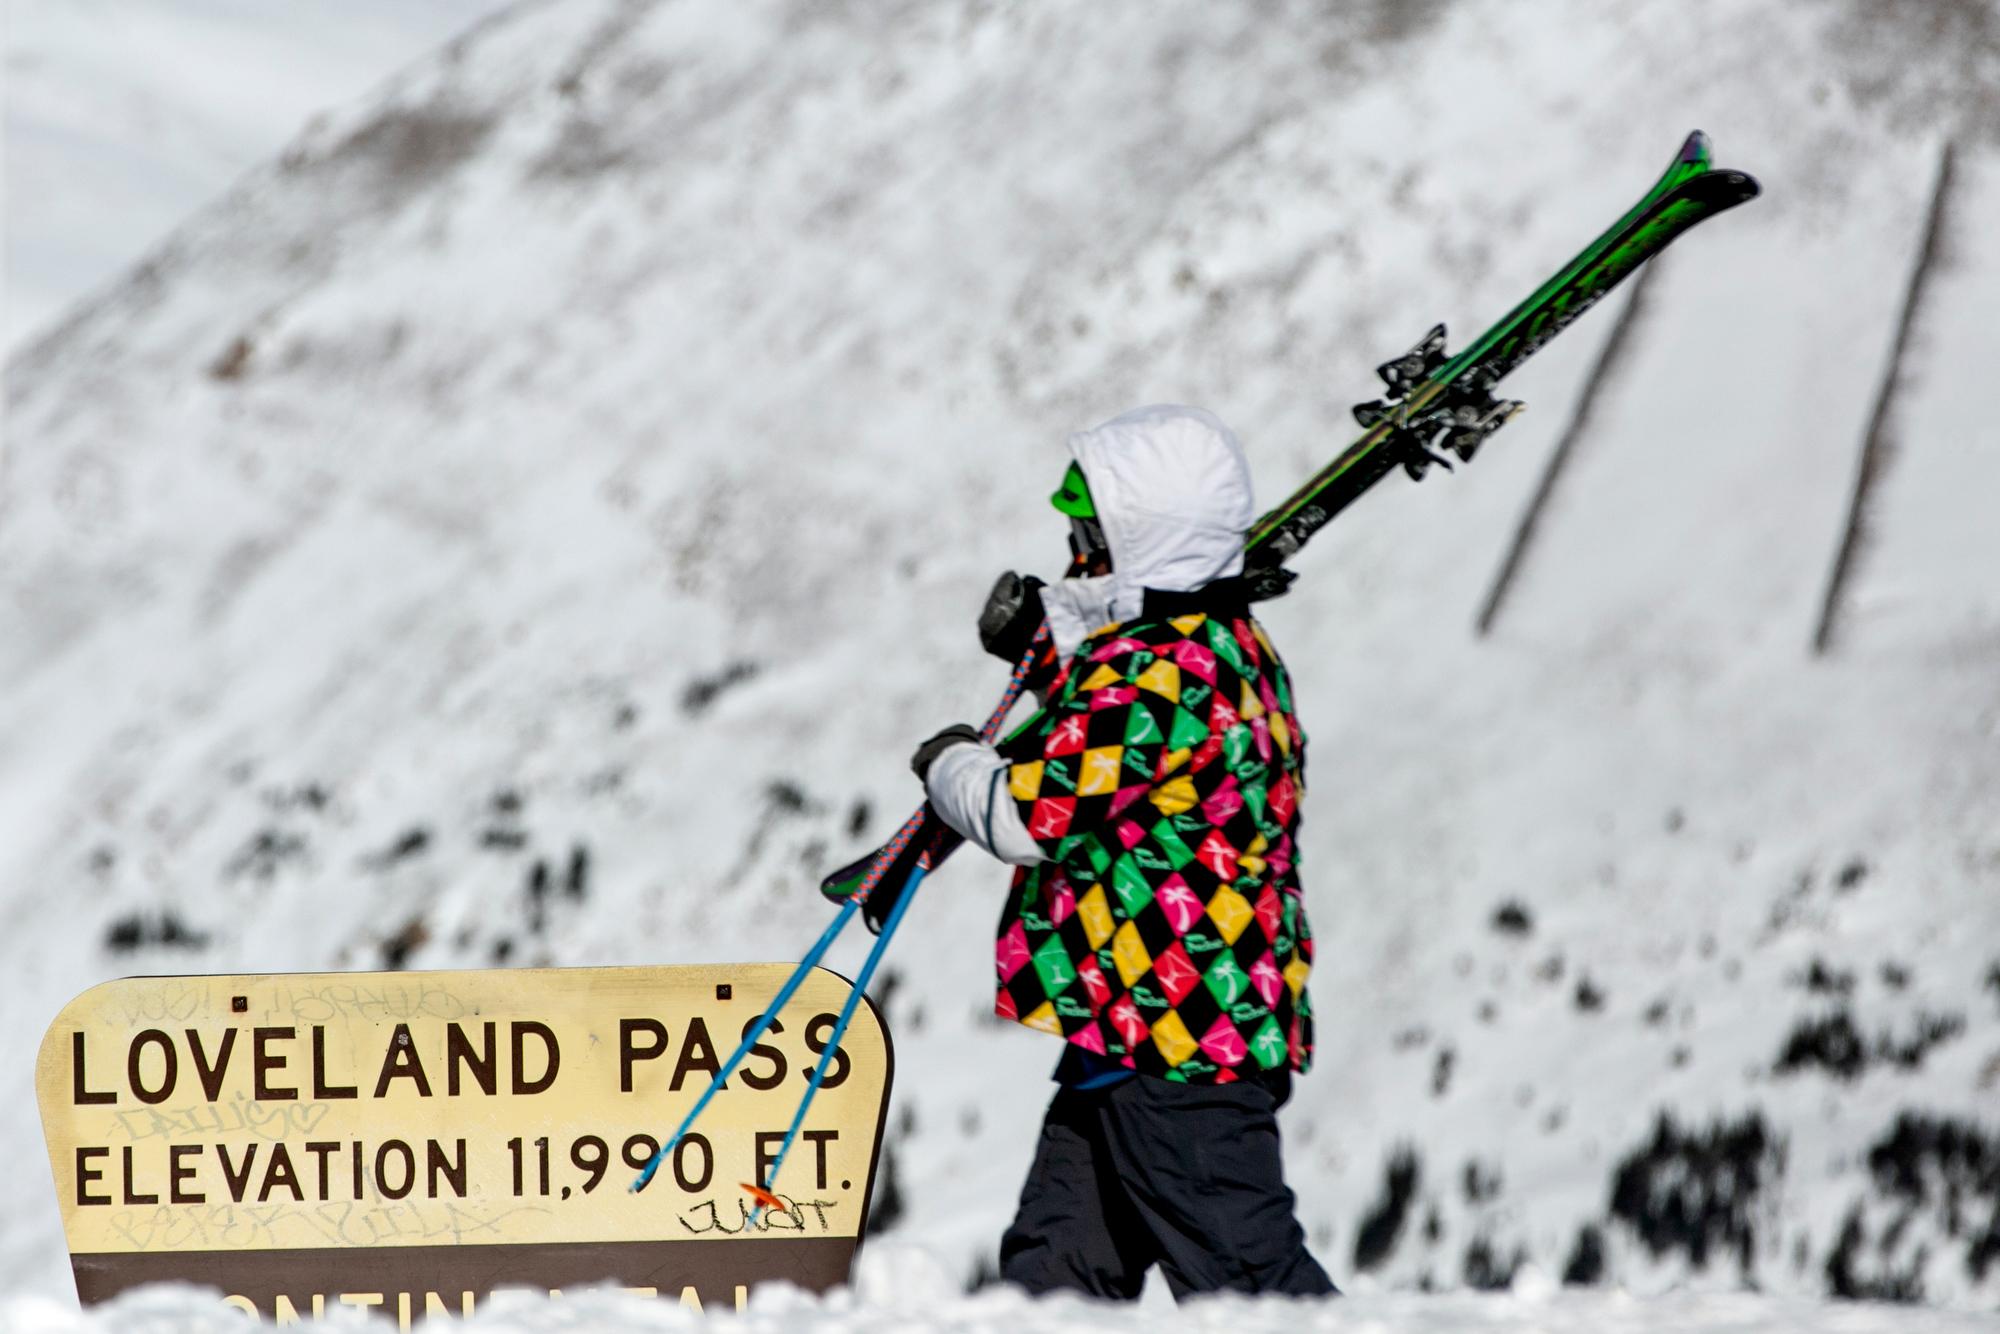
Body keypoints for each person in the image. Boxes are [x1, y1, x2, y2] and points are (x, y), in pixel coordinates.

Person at [909, 404, 1337, 1301]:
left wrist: (949, 763)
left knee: (1249, 1276)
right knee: (1056, 1274)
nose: (1074, 549)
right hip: (1141, 1026)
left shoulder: (1155, 677)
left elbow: (1030, 815)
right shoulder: (1222, 649)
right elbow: (1120, 733)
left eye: (1089, 532)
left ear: (1141, 540)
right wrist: (1047, 638)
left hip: (1178, 1042)